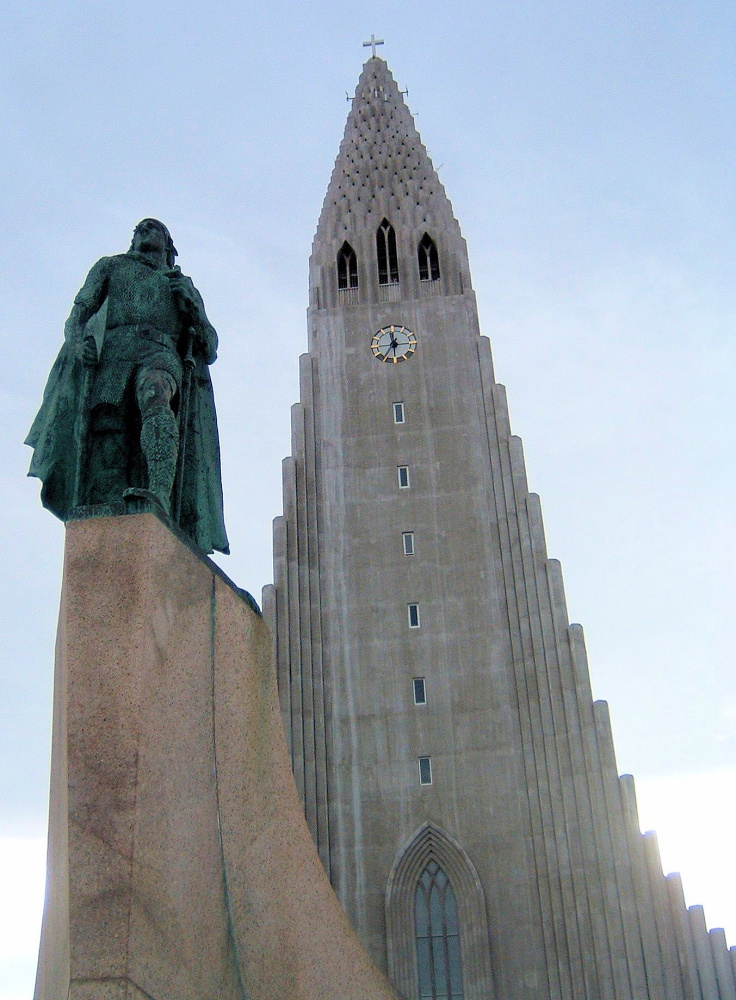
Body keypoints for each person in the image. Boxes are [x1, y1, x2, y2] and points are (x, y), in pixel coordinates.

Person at [26, 219, 229, 555]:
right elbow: (78, 315)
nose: (143, 231)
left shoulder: (180, 283)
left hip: (159, 353)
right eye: (139, 229)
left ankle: (160, 492)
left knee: (156, 395)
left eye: (152, 228)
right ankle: (108, 505)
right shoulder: (111, 266)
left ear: (168, 243)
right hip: (114, 355)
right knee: (110, 434)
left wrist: (192, 306)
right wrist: (77, 343)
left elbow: (209, 347)